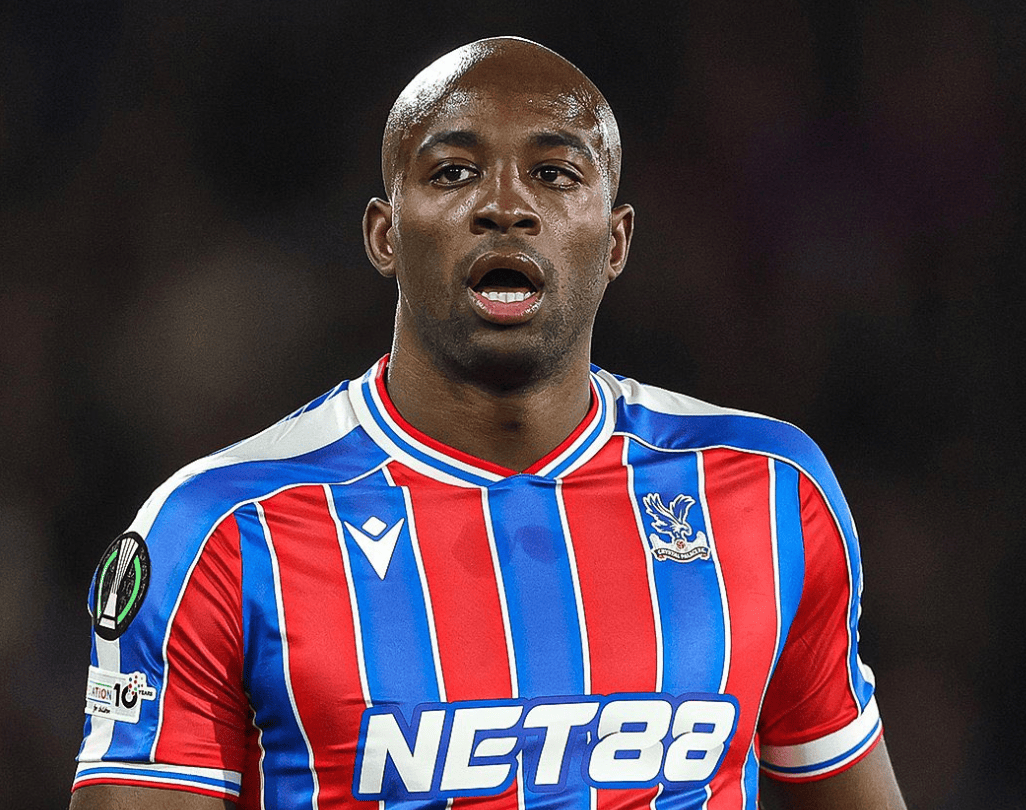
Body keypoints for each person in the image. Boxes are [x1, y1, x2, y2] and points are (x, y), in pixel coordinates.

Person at [70, 36, 906, 810]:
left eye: (555, 174)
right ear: (384, 234)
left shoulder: (769, 492)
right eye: (453, 173)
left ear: (616, 243)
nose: (505, 206)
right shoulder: (219, 531)